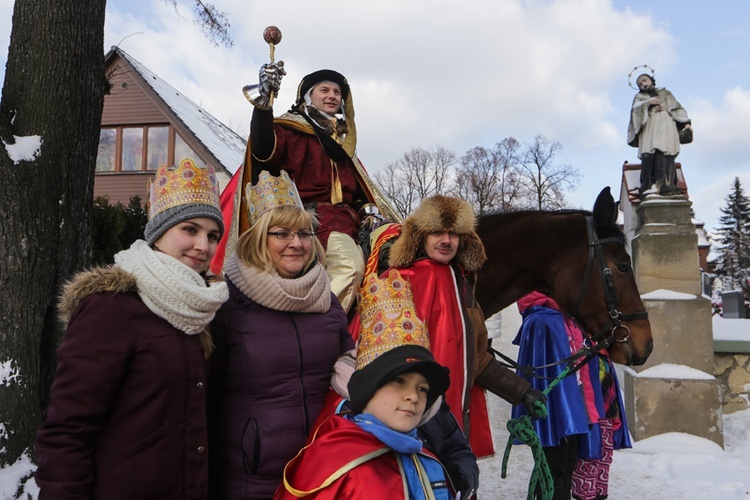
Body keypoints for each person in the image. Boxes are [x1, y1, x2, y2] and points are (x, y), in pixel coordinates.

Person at [34, 158, 228, 499]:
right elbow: (69, 429)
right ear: (158, 232)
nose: (203, 246)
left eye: (212, 236)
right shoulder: (111, 307)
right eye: (189, 229)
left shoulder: (199, 308)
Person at [207, 169, 355, 498]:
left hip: (319, 469)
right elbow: (205, 395)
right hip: (251, 477)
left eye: (304, 233)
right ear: (259, 237)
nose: (296, 243)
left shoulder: (325, 298)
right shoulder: (227, 302)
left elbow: (348, 364)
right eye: (282, 233)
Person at [213, 63, 400, 313]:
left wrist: (369, 210)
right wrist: (264, 103)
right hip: (314, 223)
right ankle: (322, 326)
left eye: (337, 92)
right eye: (324, 90)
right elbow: (262, 148)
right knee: (349, 268)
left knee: (400, 250)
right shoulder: (292, 131)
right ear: (307, 96)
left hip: (354, 225)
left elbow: (358, 192)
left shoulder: (343, 145)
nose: (333, 95)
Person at [379, 194, 546, 458]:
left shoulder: (463, 286)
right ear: (420, 235)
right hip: (410, 430)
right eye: (437, 231)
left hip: (456, 426)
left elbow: (475, 357)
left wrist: (522, 392)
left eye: (454, 233)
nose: (446, 240)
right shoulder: (398, 282)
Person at [275, 270, 453, 499]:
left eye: (422, 388)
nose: (413, 396)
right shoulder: (332, 465)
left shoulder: (430, 463)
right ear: (369, 387)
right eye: (399, 381)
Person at [512, 291, 632, 500]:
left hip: (575, 408)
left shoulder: (569, 318)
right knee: (553, 467)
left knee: (567, 465)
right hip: (554, 411)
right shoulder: (541, 320)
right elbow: (540, 372)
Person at [627, 72, 692, 197]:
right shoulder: (639, 98)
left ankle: (667, 185)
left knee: (666, 153)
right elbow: (635, 113)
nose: (643, 84)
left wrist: (686, 124)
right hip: (649, 130)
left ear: (651, 80)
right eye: (640, 83)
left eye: (644, 80)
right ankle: (649, 185)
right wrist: (648, 104)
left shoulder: (666, 94)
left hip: (666, 127)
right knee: (649, 155)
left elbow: (678, 109)